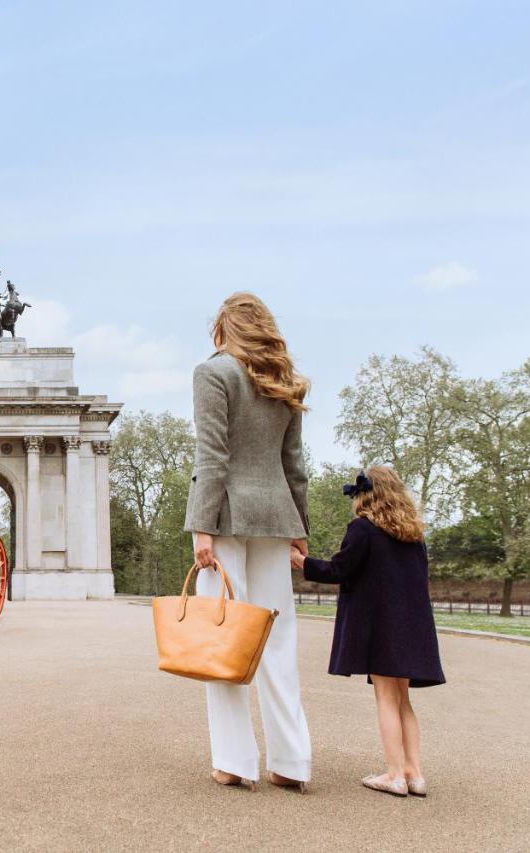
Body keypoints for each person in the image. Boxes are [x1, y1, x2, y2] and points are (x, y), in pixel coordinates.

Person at [184, 291, 312, 792]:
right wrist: (298, 533)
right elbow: (294, 467)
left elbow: (211, 457)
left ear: (222, 330)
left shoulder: (213, 373)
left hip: (228, 516)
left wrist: (202, 527)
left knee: (224, 638)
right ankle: (291, 762)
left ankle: (234, 761)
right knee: (278, 641)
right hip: (276, 518)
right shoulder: (285, 382)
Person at [291, 466, 445, 798]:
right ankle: (414, 773)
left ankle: (394, 774)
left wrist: (303, 562)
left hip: (381, 626)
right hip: (412, 625)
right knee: (404, 700)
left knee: (386, 699)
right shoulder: (413, 535)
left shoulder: (363, 529)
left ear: (365, 495)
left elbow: (340, 569)